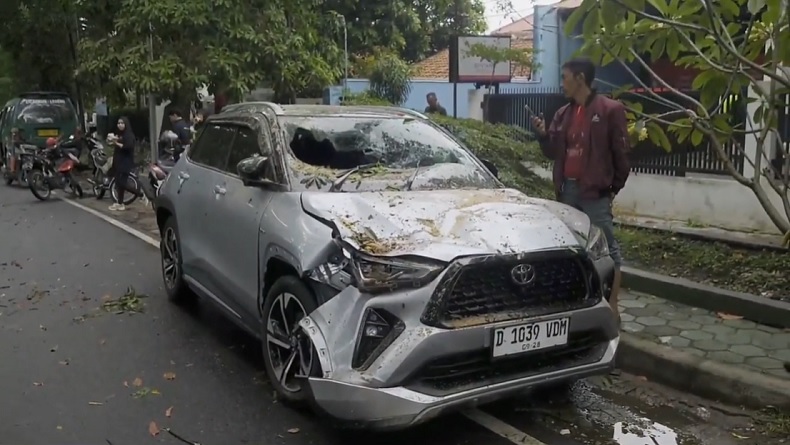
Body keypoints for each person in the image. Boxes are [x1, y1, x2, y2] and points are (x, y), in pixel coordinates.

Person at [531, 57, 630, 323]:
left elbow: (622, 154)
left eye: (564, 78)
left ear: (580, 79)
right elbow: (553, 152)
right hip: (568, 191)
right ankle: (577, 302)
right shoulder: (563, 114)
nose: (561, 83)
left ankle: (612, 306)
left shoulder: (610, 110)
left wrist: (612, 188)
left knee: (607, 248)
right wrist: (543, 134)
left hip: (595, 193)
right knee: (572, 249)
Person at [109, 117, 135, 212]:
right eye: (118, 123)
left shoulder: (129, 135)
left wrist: (116, 143)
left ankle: (121, 203)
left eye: (122, 123)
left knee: (122, 183)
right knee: (118, 182)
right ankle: (119, 202)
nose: (120, 125)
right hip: (118, 161)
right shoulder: (120, 134)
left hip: (125, 162)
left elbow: (128, 146)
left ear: (126, 124)